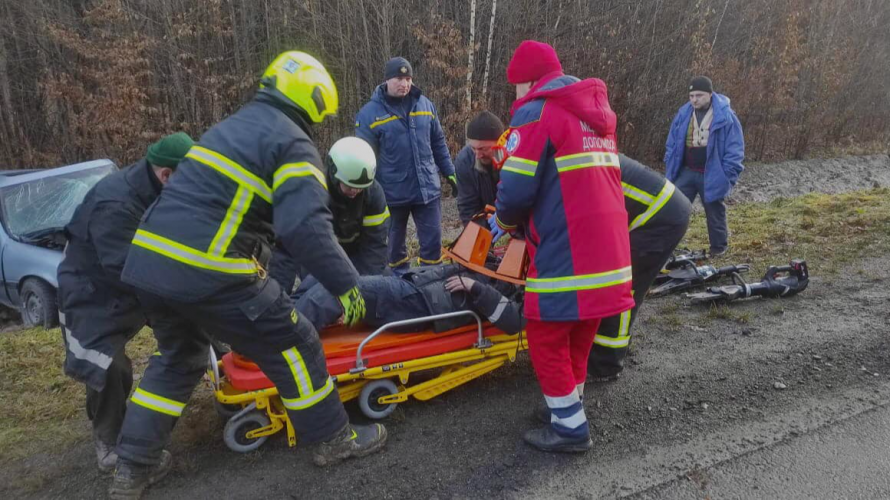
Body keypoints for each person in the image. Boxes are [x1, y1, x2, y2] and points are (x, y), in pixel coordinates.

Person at [109, 51, 385, 499]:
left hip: (149, 264)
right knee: (296, 343)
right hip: (211, 268)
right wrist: (347, 285)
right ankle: (335, 440)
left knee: (178, 358)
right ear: (315, 100)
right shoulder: (292, 144)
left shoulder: (230, 128)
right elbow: (304, 228)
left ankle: (133, 468)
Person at [491, 40, 634, 453]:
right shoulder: (593, 115)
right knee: (579, 331)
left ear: (530, 80)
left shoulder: (537, 112)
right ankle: (568, 406)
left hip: (568, 249)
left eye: (516, 85)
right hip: (609, 252)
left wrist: (501, 223)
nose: (515, 95)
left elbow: (516, 190)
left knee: (546, 336)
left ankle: (570, 430)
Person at [57, 132, 194, 473]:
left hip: (135, 279)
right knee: (107, 365)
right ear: (166, 174)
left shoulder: (159, 188)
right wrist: (176, 291)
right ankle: (110, 440)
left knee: (193, 323)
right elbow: (125, 268)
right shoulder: (116, 204)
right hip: (90, 292)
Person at [587, 155, 691, 379]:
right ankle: (605, 349)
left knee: (623, 287)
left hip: (658, 217)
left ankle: (606, 365)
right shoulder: (583, 152)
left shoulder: (572, 166)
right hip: (657, 208)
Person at [355, 57, 456, 274]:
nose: (405, 84)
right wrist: (366, 191)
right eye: (399, 78)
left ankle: (430, 282)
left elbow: (438, 141)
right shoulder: (369, 114)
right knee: (393, 248)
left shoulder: (425, 105)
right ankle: (399, 286)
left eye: (408, 78)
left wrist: (449, 171)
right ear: (387, 80)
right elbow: (364, 157)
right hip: (392, 193)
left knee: (432, 244)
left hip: (426, 189)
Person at [269, 136, 391, 295]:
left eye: (360, 187)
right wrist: (279, 298)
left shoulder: (373, 194)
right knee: (317, 294)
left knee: (382, 284)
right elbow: (287, 251)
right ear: (334, 174)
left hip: (356, 256)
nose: (355, 191)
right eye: (350, 186)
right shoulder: (311, 194)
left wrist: (364, 292)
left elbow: (375, 246)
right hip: (317, 257)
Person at [296, 263, 523, 335]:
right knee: (324, 273)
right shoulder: (514, 258)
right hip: (415, 286)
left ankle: (289, 336)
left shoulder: (526, 288)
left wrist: (476, 288)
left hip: (421, 304)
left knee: (341, 288)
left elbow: (515, 322)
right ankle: (282, 315)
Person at [664, 76, 744, 256]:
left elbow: (735, 149)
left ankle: (718, 249)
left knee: (714, 212)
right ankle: (666, 249)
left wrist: (727, 175)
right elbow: (671, 143)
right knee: (673, 209)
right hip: (686, 172)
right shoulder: (683, 114)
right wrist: (670, 165)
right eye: (691, 96)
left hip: (712, 173)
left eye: (698, 95)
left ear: (710, 94)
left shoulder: (726, 116)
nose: (694, 99)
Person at [455, 111, 505, 226]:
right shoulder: (465, 161)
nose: (477, 155)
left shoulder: (516, 156)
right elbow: (468, 208)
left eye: (483, 149)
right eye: (473, 148)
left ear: (501, 142)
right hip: (483, 213)